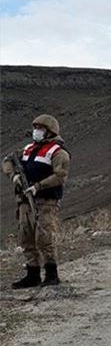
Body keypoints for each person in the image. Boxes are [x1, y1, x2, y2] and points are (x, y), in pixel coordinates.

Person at [2, 115, 71, 288]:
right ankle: (32, 275)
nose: (36, 131)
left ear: (50, 131)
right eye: (36, 127)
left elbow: (60, 176)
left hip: (46, 201)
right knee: (26, 237)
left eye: (40, 128)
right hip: (25, 202)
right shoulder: (28, 149)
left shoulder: (58, 152)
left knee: (44, 237)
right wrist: (14, 176)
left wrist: (38, 187)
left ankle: (51, 274)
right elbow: (7, 160)